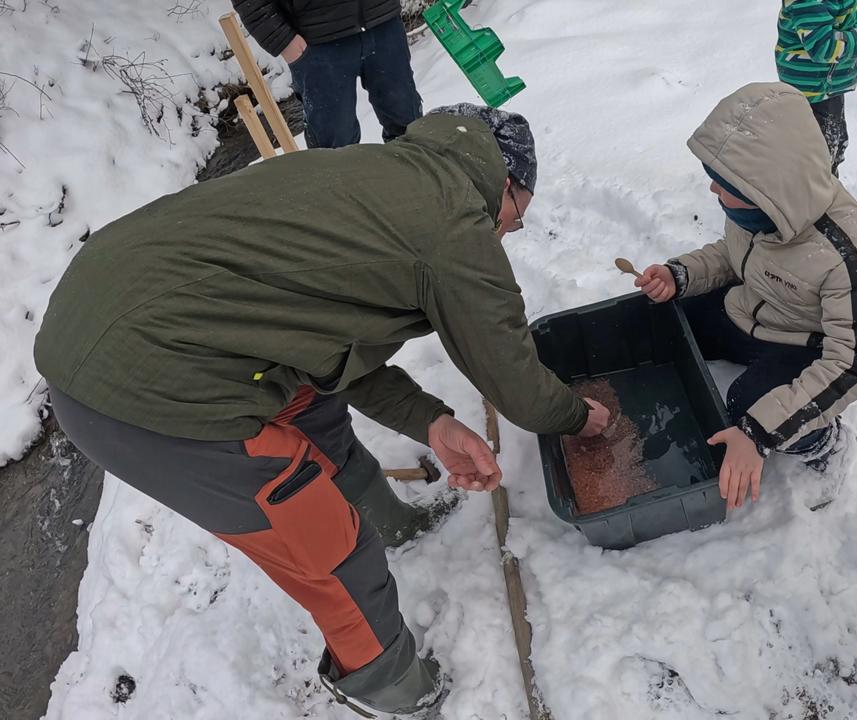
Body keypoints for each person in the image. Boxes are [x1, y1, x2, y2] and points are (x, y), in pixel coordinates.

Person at [34, 104, 610, 718]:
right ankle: (385, 683)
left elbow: (328, 351)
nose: (506, 234)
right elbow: (514, 381)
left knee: (314, 407)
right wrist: (579, 417)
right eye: (515, 220)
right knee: (320, 533)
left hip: (110, 302)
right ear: (508, 185)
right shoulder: (455, 229)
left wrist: (431, 422)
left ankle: (391, 524)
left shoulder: (383, 176)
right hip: (141, 388)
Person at [635, 82, 857, 511]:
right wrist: (680, 275)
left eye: (723, 184)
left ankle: (823, 445)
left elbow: (853, 362)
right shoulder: (756, 210)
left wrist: (758, 432)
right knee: (670, 315)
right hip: (754, 311)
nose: (713, 193)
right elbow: (733, 256)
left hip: (809, 346)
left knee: (749, 406)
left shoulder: (849, 254)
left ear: (767, 186)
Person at [231, 0, 423, 148]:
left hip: (383, 22)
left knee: (409, 129)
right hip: (317, 42)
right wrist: (282, 40)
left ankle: (422, 194)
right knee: (334, 149)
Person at [775, 1, 857, 174]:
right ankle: (813, 195)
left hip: (829, 85)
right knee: (816, 156)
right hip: (809, 91)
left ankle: (827, 188)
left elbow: (854, 14)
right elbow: (823, 46)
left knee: (836, 145)